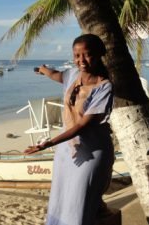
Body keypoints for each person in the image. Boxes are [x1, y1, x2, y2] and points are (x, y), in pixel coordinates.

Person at [25, 34, 114, 225]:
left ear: (99, 54)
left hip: (92, 149)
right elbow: (57, 75)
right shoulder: (73, 74)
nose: (81, 60)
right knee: (61, 197)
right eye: (77, 55)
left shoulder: (103, 87)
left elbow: (83, 126)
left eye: (87, 55)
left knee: (79, 202)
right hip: (67, 149)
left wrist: (48, 143)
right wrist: (43, 69)